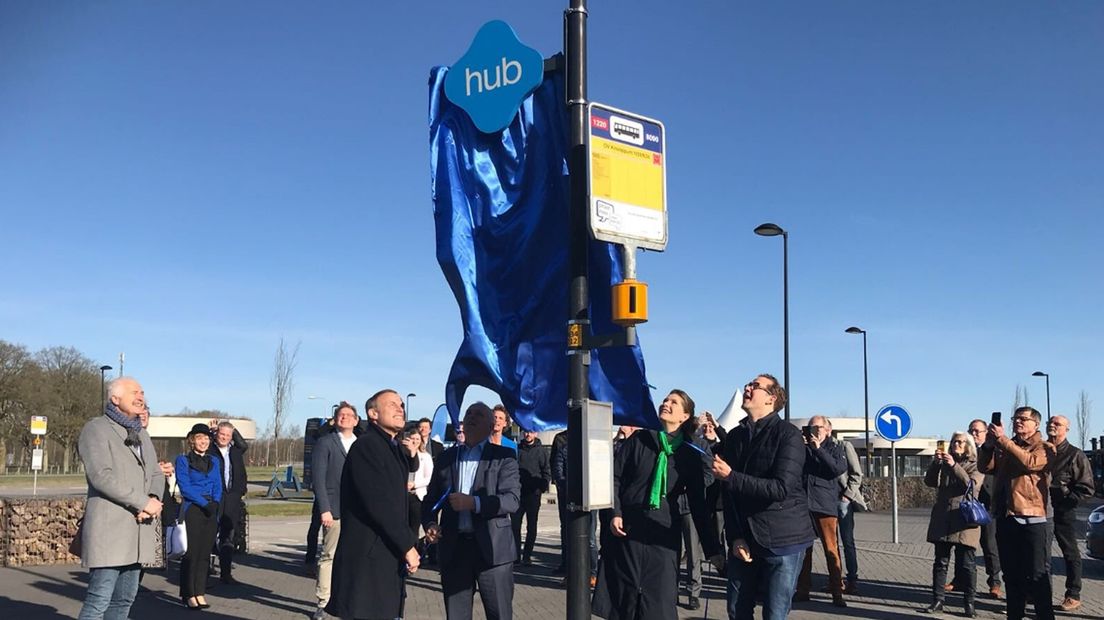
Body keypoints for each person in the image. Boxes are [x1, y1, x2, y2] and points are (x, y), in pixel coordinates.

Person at [592, 390, 722, 620]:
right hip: (627, 530)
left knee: (657, 603)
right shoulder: (639, 439)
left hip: (662, 534)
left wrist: (712, 549)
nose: (666, 404)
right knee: (623, 600)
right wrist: (615, 512)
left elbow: (698, 504)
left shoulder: (689, 453)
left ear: (685, 416)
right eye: (665, 400)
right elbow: (614, 477)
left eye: (674, 402)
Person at [713, 374, 813, 620]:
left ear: (772, 398)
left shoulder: (787, 435)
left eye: (755, 386)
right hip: (744, 539)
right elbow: (730, 493)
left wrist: (731, 476)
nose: (748, 387)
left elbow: (781, 488)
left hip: (783, 541)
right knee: (736, 609)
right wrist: (735, 537)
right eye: (748, 384)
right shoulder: (736, 436)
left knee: (775, 613)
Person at [326, 390, 421, 619]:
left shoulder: (391, 447)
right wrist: (407, 545)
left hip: (385, 558)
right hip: (368, 562)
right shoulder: (368, 446)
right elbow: (380, 504)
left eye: (401, 404)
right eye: (392, 405)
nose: (400, 408)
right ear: (373, 413)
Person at [76, 377, 164, 620]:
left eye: (142, 392)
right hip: (110, 532)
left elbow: (155, 472)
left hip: (138, 532)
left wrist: (153, 499)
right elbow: (100, 476)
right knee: (98, 601)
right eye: (134, 392)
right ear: (115, 398)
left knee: (124, 601)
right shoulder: (96, 429)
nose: (141, 397)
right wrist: (142, 502)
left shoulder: (140, 434)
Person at [423, 402, 521, 620]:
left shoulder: (504, 456)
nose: (471, 417)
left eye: (479, 414)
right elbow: (430, 500)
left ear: (491, 425)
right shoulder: (447, 458)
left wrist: (474, 503)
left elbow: (511, 500)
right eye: (468, 413)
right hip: (455, 549)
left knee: (500, 614)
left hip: (493, 550)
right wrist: (429, 524)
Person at [978, 407, 1055, 620]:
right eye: (1015, 419)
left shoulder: (1045, 447)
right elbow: (985, 467)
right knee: (1011, 576)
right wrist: (988, 445)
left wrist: (1003, 441)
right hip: (1006, 515)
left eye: (1023, 419)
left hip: (1033, 517)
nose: (1018, 422)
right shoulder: (1006, 445)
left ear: (1036, 424)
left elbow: (1031, 462)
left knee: (1037, 575)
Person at [921, 432, 985, 617]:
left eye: (960, 442)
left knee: (967, 564)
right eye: (954, 442)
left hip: (965, 520)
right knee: (940, 562)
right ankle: (938, 600)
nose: (956, 445)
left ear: (968, 446)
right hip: (943, 518)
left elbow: (972, 487)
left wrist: (954, 466)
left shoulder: (976, 465)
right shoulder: (945, 464)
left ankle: (969, 603)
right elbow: (929, 482)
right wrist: (936, 464)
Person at [310, 401, 358, 620]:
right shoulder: (325, 442)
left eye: (349, 415)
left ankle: (350, 599)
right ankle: (323, 601)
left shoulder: (362, 444)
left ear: (356, 421)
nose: (345, 418)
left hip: (357, 513)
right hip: (334, 509)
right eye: (341, 415)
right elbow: (318, 479)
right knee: (328, 555)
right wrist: (324, 509)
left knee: (353, 557)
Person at [794, 416, 848, 607]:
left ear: (827, 430)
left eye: (817, 427)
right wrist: (801, 447)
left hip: (824, 505)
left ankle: (837, 592)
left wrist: (818, 449)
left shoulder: (835, 447)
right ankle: (802, 590)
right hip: (803, 504)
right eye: (810, 427)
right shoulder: (804, 446)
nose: (813, 430)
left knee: (831, 549)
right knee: (803, 551)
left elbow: (836, 469)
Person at [1046, 414, 1095, 612]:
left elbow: (1087, 488)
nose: (1053, 426)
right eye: (1050, 423)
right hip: (1039, 509)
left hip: (1062, 509)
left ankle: (1073, 594)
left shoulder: (1075, 454)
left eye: (1057, 424)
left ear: (1067, 429)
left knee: (1070, 552)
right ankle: (1037, 592)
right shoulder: (1041, 450)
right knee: (1039, 554)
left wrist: (1066, 497)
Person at [175, 423, 223, 610]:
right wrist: (203, 503)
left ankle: (200, 592)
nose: (203, 441)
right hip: (193, 508)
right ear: (192, 440)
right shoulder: (183, 460)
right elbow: (184, 486)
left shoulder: (214, 461)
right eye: (199, 438)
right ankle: (188, 593)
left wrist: (215, 502)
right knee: (192, 554)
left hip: (211, 508)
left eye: (206, 438)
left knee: (205, 554)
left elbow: (218, 483)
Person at [966, 418, 1002, 599]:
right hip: (969, 504)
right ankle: (960, 579)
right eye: (971, 430)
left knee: (989, 544)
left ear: (986, 433)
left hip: (988, 504)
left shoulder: (993, 450)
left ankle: (994, 582)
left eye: (977, 431)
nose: (973, 434)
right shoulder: (965, 450)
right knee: (964, 544)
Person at [211, 420, 248, 585]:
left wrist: (240, 491)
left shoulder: (236, 451)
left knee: (228, 536)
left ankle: (225, 573)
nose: (224, 437)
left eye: (228, 435)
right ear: (216, 434)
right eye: (221, 434)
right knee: (210, 534)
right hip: (215, 497)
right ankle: (205, 570)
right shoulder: (210, 451)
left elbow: (243, 444)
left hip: (232, 496)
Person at [513, 428, 550, 565]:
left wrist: (542, 487)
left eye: (531, 432)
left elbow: (546, 471)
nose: (528, 434)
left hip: (533, 494)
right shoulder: (517, 450)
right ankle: (516, 556)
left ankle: (527, 556)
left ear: (536, 433)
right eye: (526, 432)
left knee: (531, 526)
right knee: (515, 525)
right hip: (518, 494)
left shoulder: (541, 451)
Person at [835, 437, 865, 595]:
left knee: (847, 541)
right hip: (825, 501)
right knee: (831, 544)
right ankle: (835, 580)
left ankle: (852, 579)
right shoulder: (815, 448)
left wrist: (847, 495)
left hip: (843, 501)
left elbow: (856, 474)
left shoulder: (843, 446)